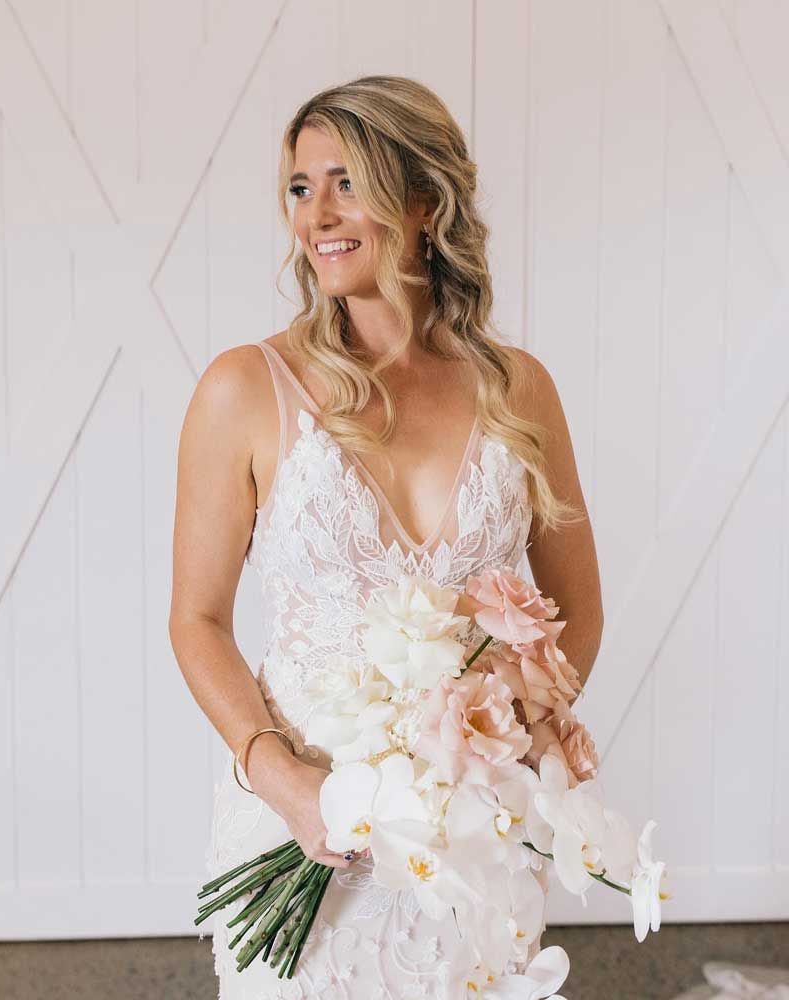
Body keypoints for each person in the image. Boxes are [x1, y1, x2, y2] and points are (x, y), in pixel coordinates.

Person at [169, 75, 603, 1000]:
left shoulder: (518, 391)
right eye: (299, 186)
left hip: (470, 843)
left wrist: (514, 735)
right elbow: (196, 619)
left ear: (422, 200)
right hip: (306, 834)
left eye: (345, 183)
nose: (316, 215)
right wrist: (275, 774)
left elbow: (577, 604)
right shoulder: (244, 390)